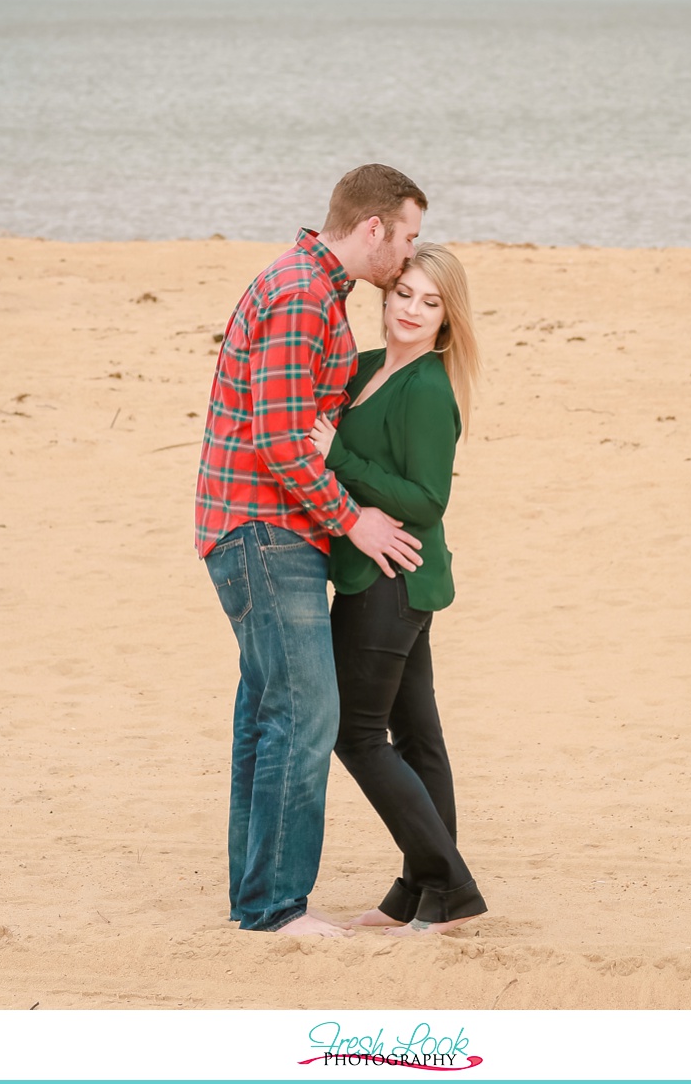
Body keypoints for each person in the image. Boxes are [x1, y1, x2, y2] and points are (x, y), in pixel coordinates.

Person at [195, 164, 428, 938]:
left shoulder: (314, 289)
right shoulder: (301, 295)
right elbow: (282, 438)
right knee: (305, 713)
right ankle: (275, 908)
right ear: (373, 230)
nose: (409, 254)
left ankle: (256, 901)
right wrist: (354, 520)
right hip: (264, 527)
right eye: (409, 237)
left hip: (264, 527)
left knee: (268, 715)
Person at [310, 241, 488, 935]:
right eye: (404, 293)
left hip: (394, 577)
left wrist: (339, 457)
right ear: (383, 296)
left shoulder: (428, 387)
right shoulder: (364, 370)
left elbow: (427, 498)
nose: (411, 309)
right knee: (416, 738)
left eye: (429, 300)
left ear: (448, 316)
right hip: (385, 577)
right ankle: (422, 893)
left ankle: (451, 883)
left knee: (357, 735)